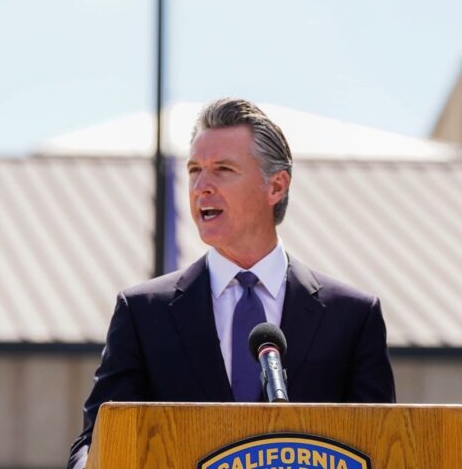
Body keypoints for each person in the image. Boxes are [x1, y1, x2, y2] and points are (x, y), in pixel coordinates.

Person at [67, 98, 396, 469]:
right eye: (194, 170)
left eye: (222, 169)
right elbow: (97, 440)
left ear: (276, 186)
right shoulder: (143, 313)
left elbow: (382, 446)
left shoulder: (351, 317)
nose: (201, 186)